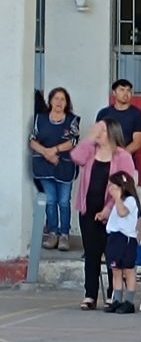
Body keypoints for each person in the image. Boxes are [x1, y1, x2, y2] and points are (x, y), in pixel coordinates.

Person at [70, 119, 136, 311]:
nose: (98, 132)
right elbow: (75, 157)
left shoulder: (122, 156)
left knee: (112, 254)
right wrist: (90, 138)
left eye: (102, 130)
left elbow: (126, 187)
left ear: (112, 132)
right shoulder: (91, 151)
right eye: (97, 128)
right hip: (88, 211)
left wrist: (108, 208)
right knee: (91, 254)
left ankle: (113, 295)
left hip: (113, 213)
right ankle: (90, 295)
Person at [30, 87, 81, 250]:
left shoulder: (72, 120)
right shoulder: (40, 119)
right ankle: (53, 233)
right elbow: (32, 140)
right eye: (56, 98)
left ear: (67, 103)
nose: (59, 102)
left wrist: (55, 150)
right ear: (50, 101)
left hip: (64, 166)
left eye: (63, 99)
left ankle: (64, 235)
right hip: (44, 166)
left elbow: (73, 141)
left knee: (64, 202)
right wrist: (46, 153)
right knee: (50, 201)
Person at [103, 171, 141, 315]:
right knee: (116, 270)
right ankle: (117, 299)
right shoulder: (116, 203)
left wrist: (117, 198)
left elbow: (122, 213)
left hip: (126, 239)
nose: (109, 188)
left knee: (128, 270)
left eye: (112, 185)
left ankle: (129, 301)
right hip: (114, 238)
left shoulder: (129, 200)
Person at [96, 79, 141, 169]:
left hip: (127, 162)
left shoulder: (137, 114)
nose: (125, 93)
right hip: (104, 161)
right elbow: (97, 137)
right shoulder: (103, 113)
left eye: (128, 90)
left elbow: (137, 143)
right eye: (122, 90)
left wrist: (120, 156)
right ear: (114, 93)